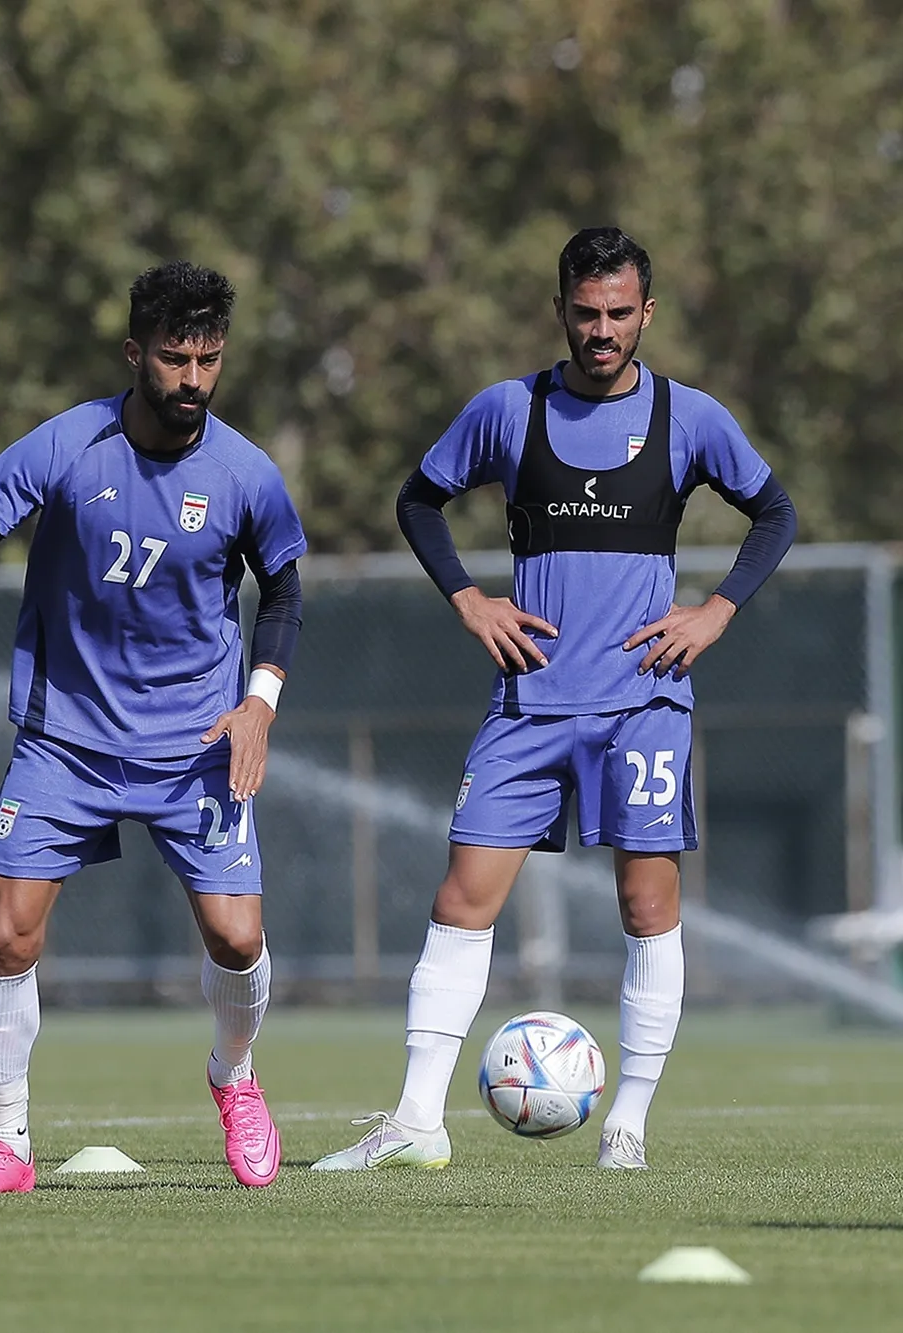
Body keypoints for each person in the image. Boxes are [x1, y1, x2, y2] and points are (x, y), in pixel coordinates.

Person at [312, 227, 796, 1174]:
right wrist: (469, 599)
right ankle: (415, 1121)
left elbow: (775, 512)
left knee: (647, 905)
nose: (602, 329)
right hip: (529, 703)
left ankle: (628, 1126)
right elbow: (417, 500)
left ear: (647, 313)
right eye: (585, 312)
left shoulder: (689, 417)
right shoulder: (508, 410)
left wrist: (717, 611)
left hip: (643, 704)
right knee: (462, 897)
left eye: (619, 313)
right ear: (561, 311)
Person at [0, 262, 307, 1193]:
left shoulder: (244, 473)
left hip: (197, 743)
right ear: (133, 353)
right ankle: (6, 1143)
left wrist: (260, 700)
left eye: (208, 360)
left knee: (237, 939)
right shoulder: (69, 444)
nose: (192, 379)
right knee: (7, 934)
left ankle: (234, 1076)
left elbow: (283, 589)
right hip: (65, 739)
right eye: (174, 358)